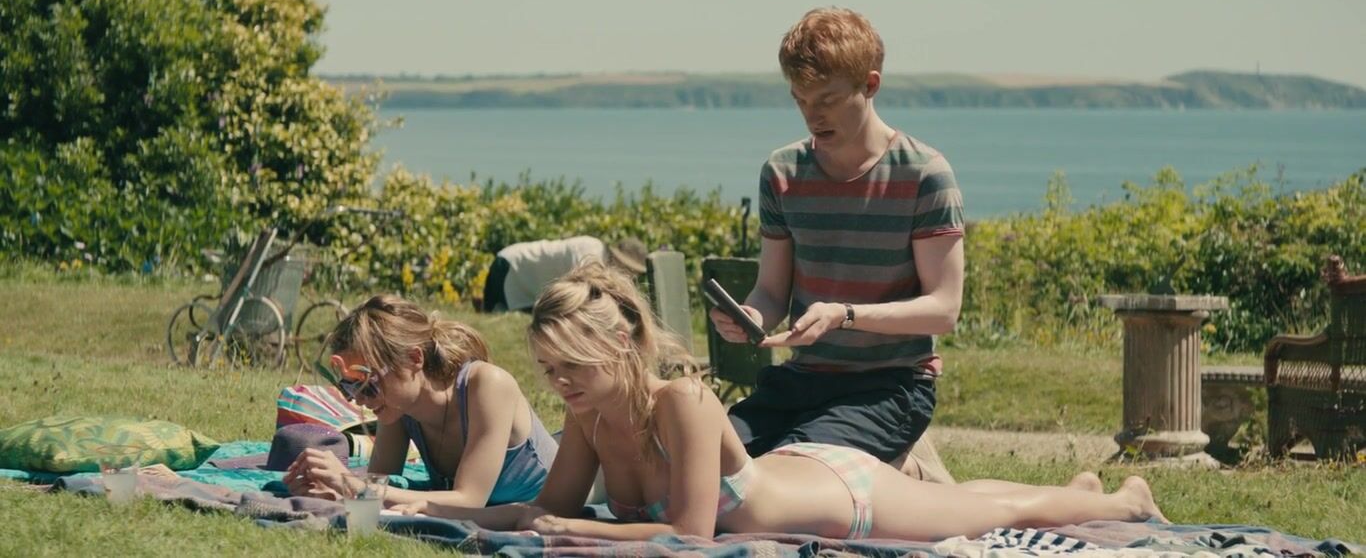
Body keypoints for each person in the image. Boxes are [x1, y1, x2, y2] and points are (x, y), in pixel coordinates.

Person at [409, 261, 1166, 541]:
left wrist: (576, 530)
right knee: (968, 499)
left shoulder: (682, 402)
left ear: (622, 346)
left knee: (995, 516)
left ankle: (1123, 501)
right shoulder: (590, 416)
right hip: (801, 470)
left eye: (573, 365)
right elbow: (542, 510)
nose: (559, 383)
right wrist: (423, 508)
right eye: (549, 368)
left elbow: (690, 536)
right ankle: (1078, 491)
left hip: (843, 494)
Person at [709, 7, 963, 481]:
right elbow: (771, 293)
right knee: (702, 464)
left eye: (827, 99)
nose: (813, 115)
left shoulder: (925, 174)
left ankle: (908, 473)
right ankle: (897, 473)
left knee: (782, 479)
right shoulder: (782, 172)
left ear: (870, 84)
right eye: (800, 100)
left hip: (890, 387)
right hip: (802, 382)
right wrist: (750, 317)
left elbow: (944, 310)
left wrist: (844, 315)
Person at [284, 294, 559, 511]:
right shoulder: (398, 407)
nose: (357, 398)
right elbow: (379, 482)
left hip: (568, 497)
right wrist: (335, 491)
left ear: (415, 359)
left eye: (367, 383)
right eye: (348, 386)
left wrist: (351, 484)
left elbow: (469, 499)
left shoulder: (488, 385)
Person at [480, 235, 648, 313]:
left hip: (528, 276)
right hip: (510, 266)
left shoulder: (599, 256)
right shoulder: (593, 252)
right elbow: (585, 289)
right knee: (491, 312)